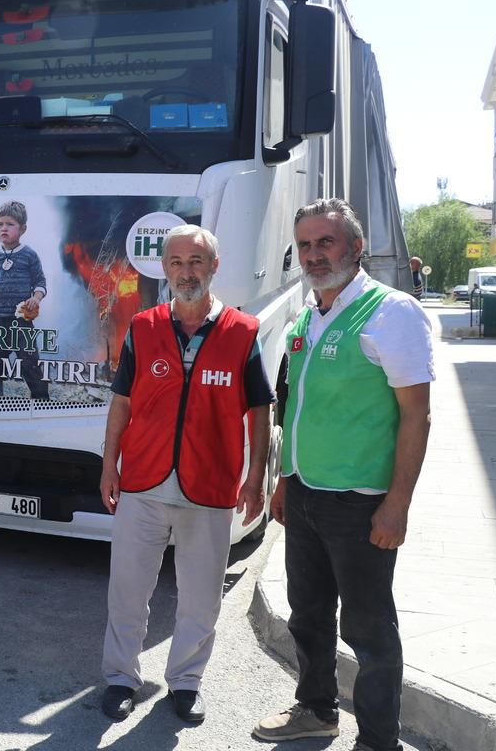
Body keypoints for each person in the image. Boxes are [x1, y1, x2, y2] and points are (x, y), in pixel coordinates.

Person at [255, 198, 433, 751]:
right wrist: (285, 480)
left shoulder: (392, 312)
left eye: (325, 242)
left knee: (369, 630)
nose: (313, 255)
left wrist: (397, 504)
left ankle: (378, 740)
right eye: (305, 245)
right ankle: (316, 710)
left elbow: (416, 415)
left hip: (361, 503)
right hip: (307, 493)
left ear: (355, 249)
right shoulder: (310, 314)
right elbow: (296, 407)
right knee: (307, 614)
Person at [98, 224, 273, 724]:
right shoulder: (144, 327)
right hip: (143, 484)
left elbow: (260, 409)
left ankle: (186, 682)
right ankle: (120, 678)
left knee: (200, 597)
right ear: (164, 269)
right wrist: (109, 464)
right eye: (176, 262)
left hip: (210, 488)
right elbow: (122, 402)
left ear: (214, 268)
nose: (185, 271)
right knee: (127, 590)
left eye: (196, 261)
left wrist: (255, 477)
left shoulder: (243, 332)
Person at [0, 200, 50, 399]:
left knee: (29, 362)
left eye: (10, 224)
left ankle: (41, 401)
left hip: (22, 320)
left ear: (22, 229)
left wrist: (36, 298)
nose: (4, 228)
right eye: (0, 224)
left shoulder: (29, 255)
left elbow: (40, 282)